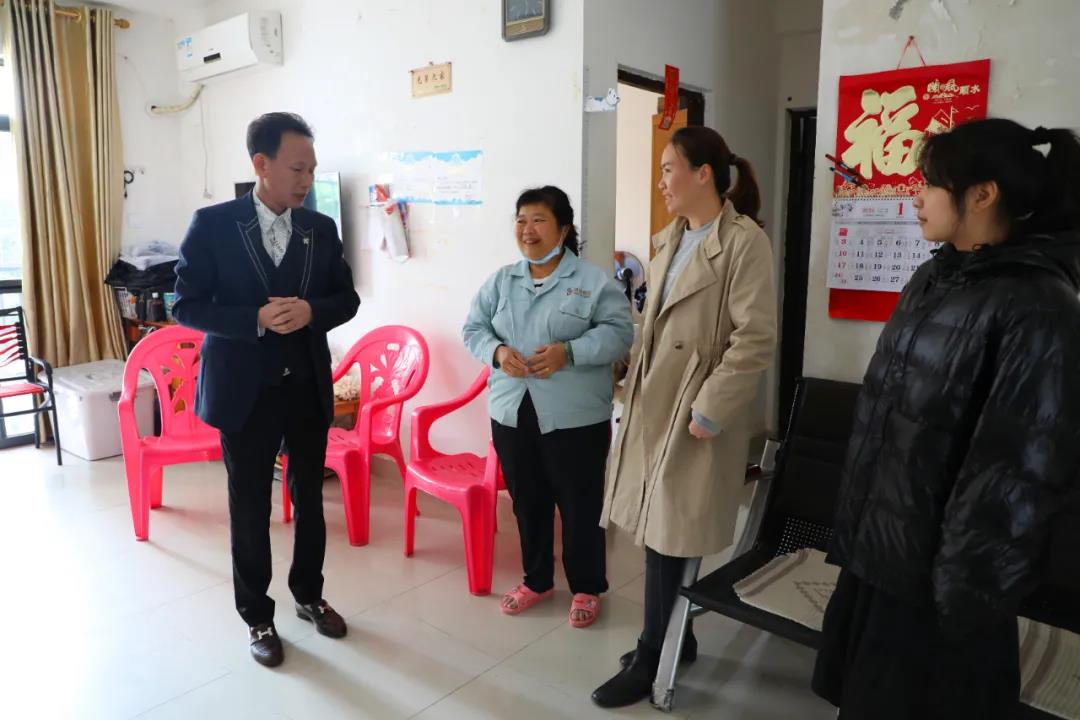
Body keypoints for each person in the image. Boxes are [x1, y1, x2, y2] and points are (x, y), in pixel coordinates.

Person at [812, 118, 1080, 719]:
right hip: (885, 553)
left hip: (943, 585)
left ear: (982, 194)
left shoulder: (1038, 307)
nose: (917, 196)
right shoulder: (935, 277)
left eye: (931, 183)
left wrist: (958, 598)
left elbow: (1014, 477)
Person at [593, 127, 777, 707]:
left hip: (693, 410)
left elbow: (754, 339)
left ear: (704, 174)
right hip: (654, 402)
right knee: (658, 529)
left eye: (669, 168)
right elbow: (655, 323)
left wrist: (710, 409)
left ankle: (652, 654)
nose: (662, 181)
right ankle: (680, 637)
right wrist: (624, 367)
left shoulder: (744, 243)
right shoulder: (670, 238)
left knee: (670, 534)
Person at [173, 112, 360, 668]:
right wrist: (253, 319)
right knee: (250, 505)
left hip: (305, 386)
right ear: (261, 163)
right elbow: (184, 305)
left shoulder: (319, 228)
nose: (307, 180)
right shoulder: (213, 225)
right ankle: (257, 614)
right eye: (297, 169)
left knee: (311, 499)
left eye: (312, 169)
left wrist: (311, 311)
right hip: (243, 391)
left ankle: (309, 594)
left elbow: (347, 299)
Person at [463, 186, 634, 628]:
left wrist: (569, 352)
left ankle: (587, 587)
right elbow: (473, 329)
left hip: (575, 416)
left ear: (563, 228)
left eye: (539, 219)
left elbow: (620, 334)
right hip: (512, 411)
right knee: (528, 502)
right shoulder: (502, 281)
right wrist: (498, 352)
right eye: (521, 220)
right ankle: (536, 580)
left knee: (580, 505)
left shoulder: (593, 281)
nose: (528, 229)